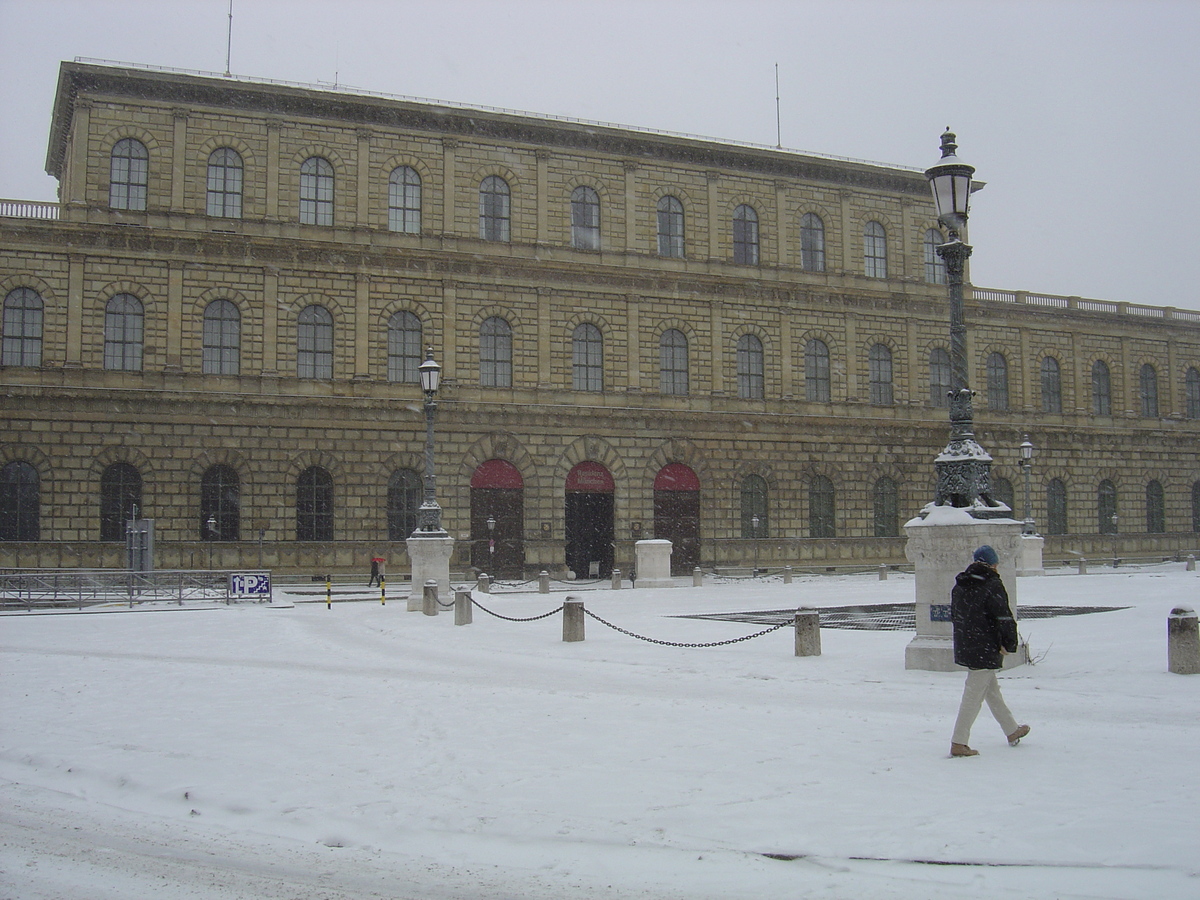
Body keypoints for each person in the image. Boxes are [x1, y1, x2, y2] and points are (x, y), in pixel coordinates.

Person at [949, 544, 1030, 758]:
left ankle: (1012, 730)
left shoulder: (961, 584)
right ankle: (959, 742)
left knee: (991, 690)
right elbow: (1003, 615)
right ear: (992, 564)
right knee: (973, 695)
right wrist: (1008, 642)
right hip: (985, 645)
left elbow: (956, 615)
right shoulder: (992, 583)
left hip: (967, 643)